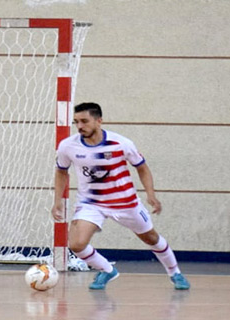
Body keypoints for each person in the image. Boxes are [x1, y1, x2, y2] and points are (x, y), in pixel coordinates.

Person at [51, 102, 190, 290]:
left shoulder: (121, 143)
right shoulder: (68, 146)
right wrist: (57, 201)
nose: (80, 126)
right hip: (91, 202)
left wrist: (151, 194)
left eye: (85, 121)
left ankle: (176, 273)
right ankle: (107, 270)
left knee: (151, 238)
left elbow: (141, 167)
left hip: (125, 202)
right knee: (76, 244)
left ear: (99, 121)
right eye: (76, 122)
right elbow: (61, 172)